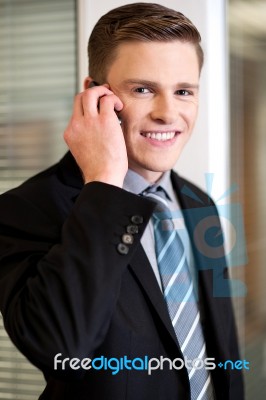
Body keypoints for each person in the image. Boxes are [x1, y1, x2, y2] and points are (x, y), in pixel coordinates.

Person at [0, 3, 244, 399]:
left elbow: (223, 353)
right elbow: (63, 349)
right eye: (143, 89)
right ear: (94, 97)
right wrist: (104, 185)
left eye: (183, 91)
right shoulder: (27, 209)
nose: (168, 113)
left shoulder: (201, 205)